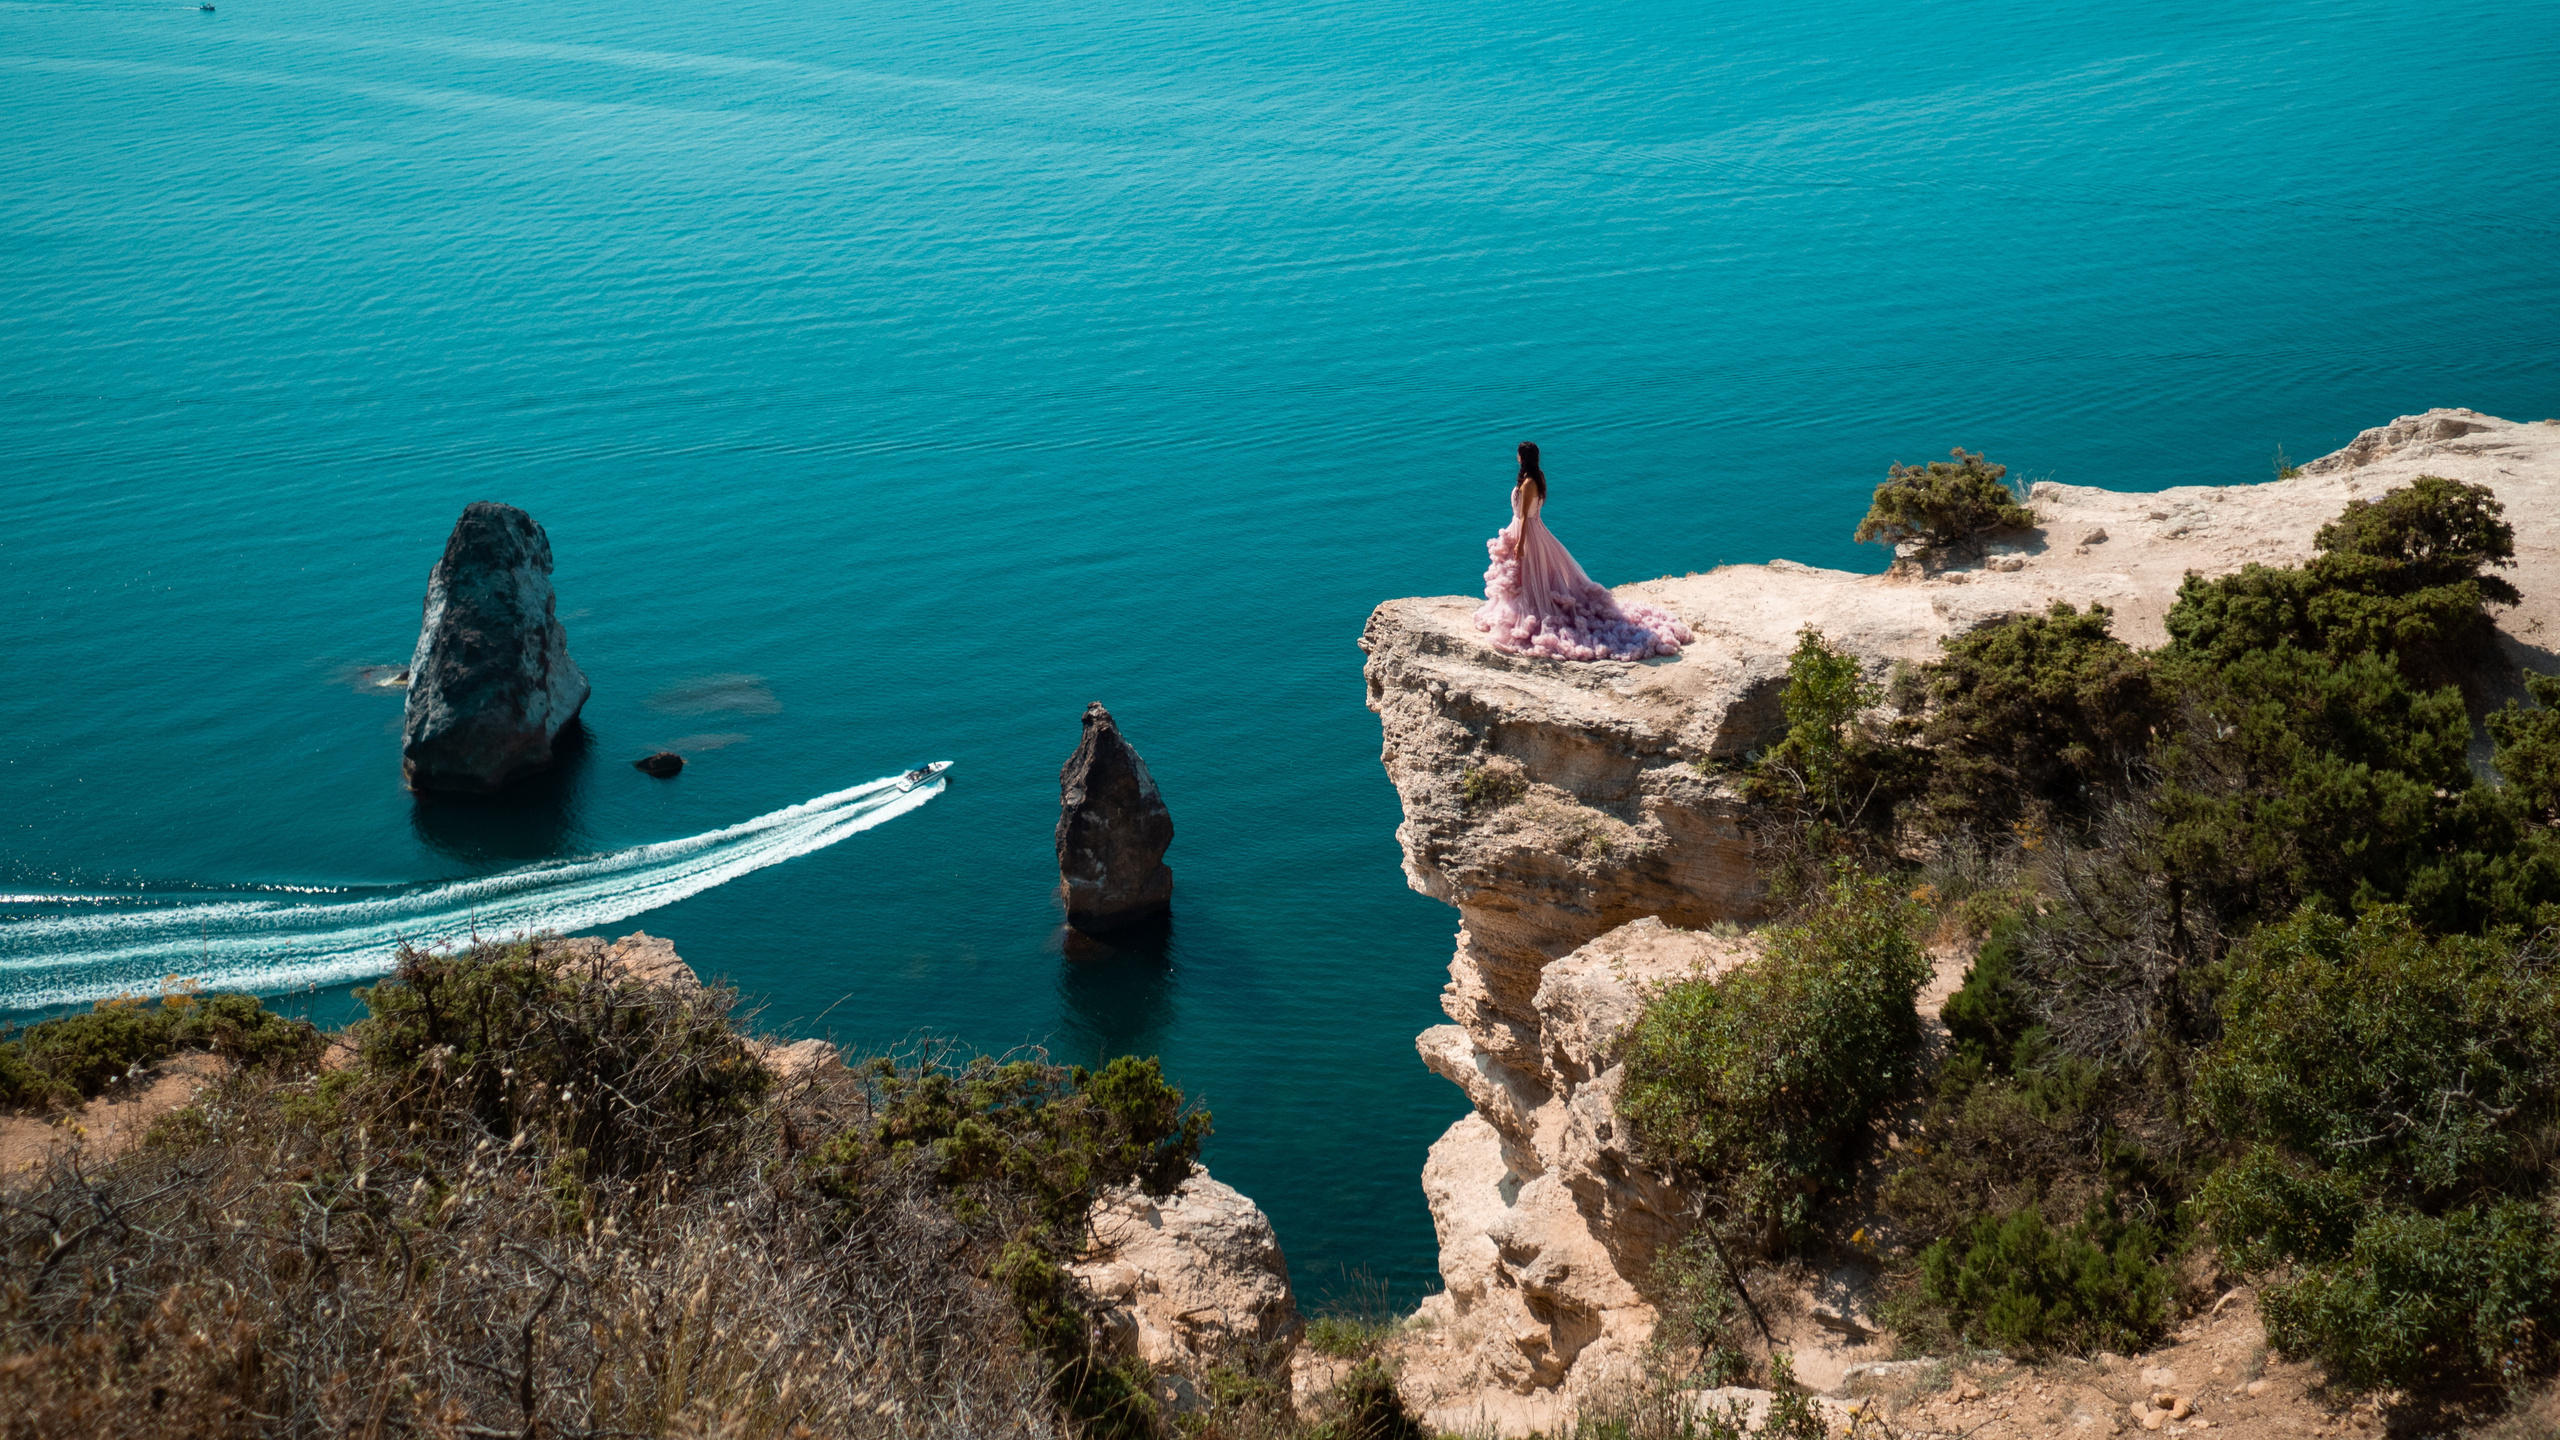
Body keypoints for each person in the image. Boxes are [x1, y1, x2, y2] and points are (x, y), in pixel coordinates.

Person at [1474, 442, 1692, 661]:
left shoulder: (1529, 483)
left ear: (1523, 457)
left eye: (1518, 454)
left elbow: (1524, 518)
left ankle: (1533, 612)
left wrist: (1520, 545)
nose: (1516, 456)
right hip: (1532, 530)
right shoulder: (1536, 477)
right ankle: (1522, 610)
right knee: (1526, 577)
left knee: (1528, 576)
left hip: (1528, 533)